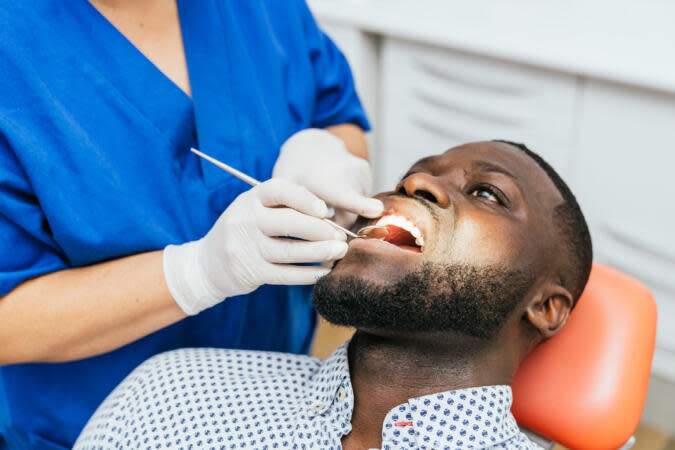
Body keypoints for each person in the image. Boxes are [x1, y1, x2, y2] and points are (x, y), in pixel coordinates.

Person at [0, 0, 384, 448]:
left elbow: (334, 113)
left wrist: (327, 154)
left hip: (277, 412)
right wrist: (195, 273)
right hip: (92, 432)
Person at [74, 140, 593, 449]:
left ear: (546, 307)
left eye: (486, 194)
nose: (415, 183)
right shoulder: (171, 393)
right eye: (416, 173)